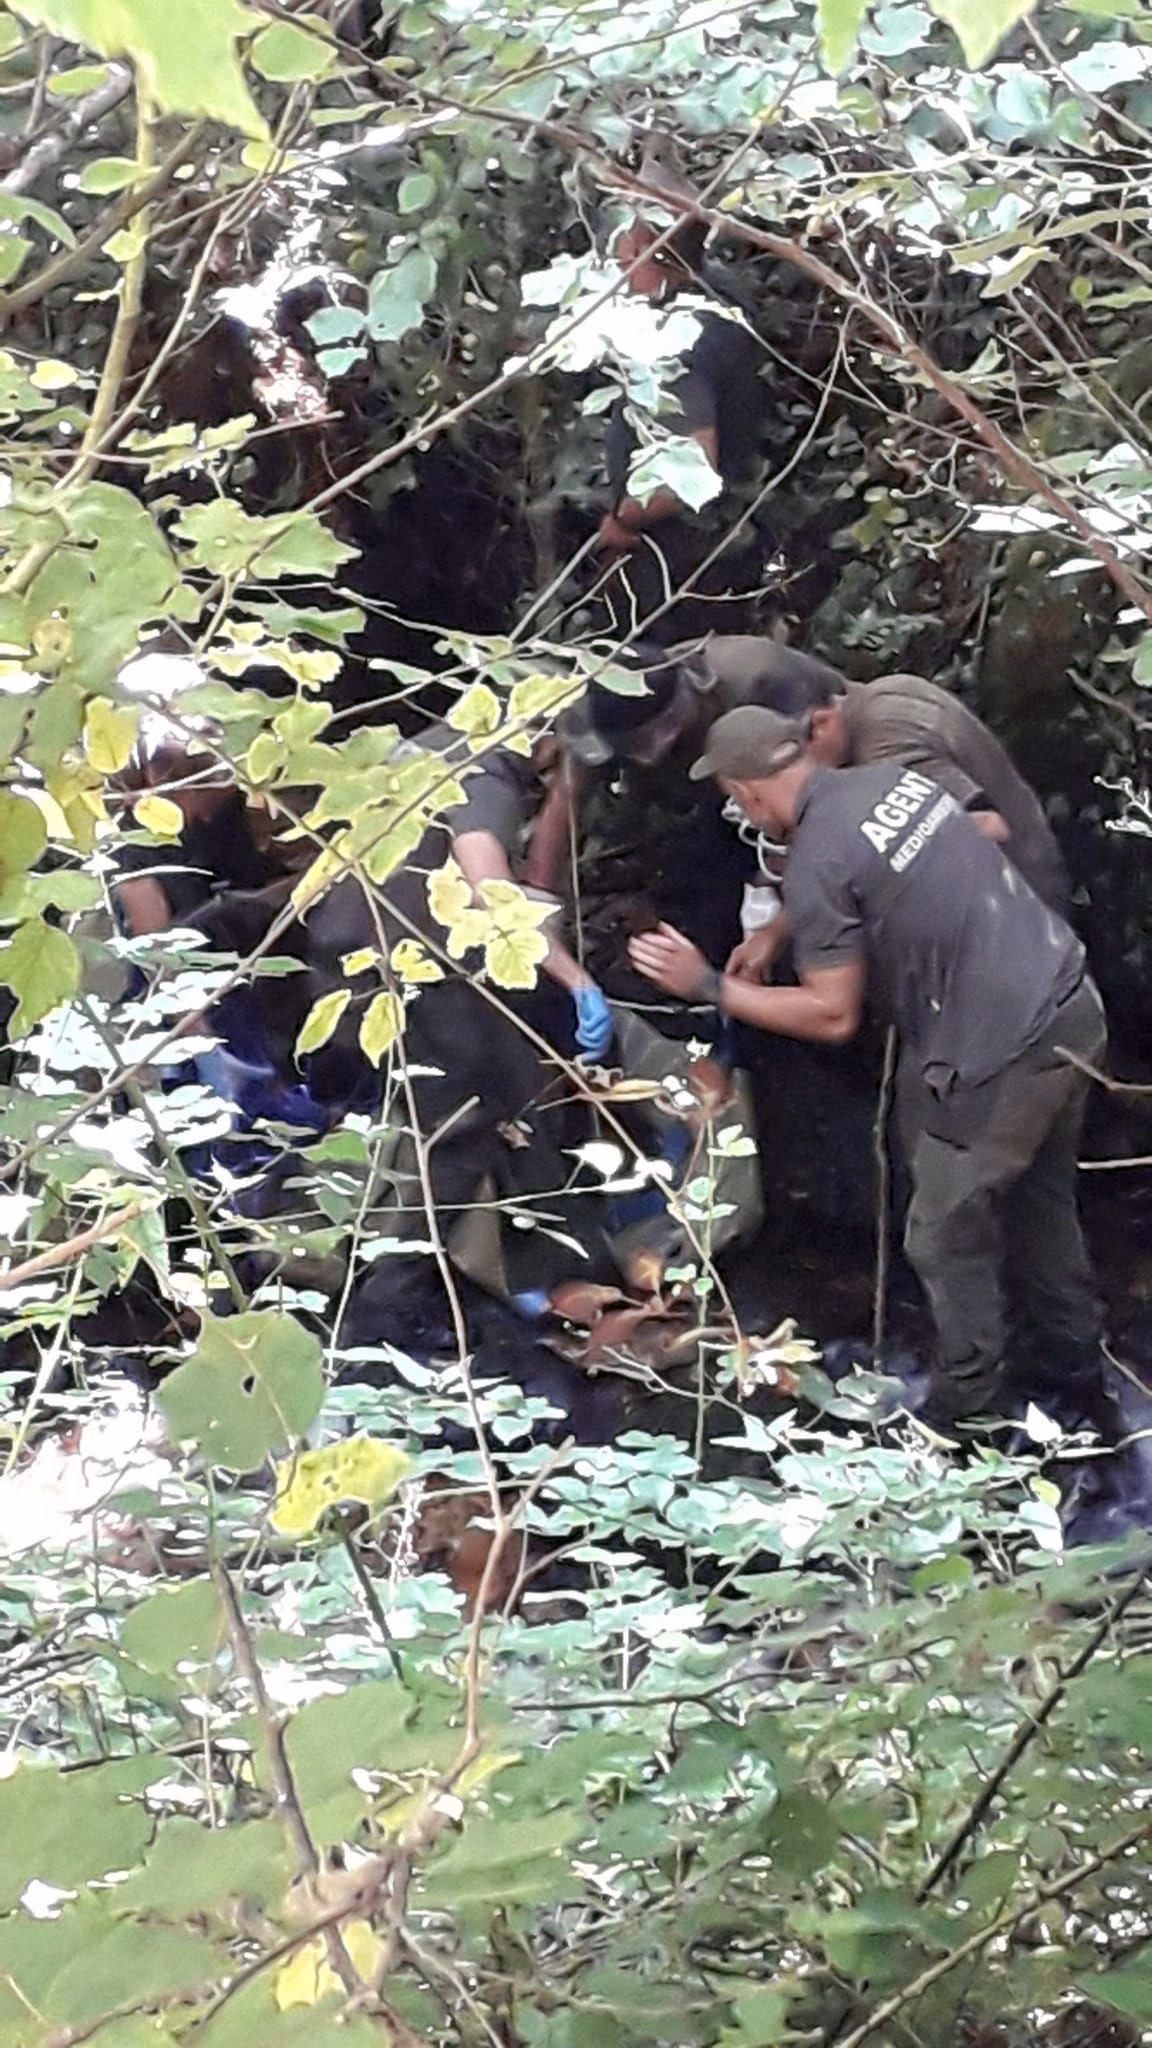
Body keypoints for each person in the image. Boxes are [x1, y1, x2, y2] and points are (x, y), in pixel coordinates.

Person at [628, 704, 1114, 1434]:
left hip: (1000, 1050)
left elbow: (833, 1016)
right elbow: (900, 858)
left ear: (748, 791)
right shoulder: (886, 782)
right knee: (1039, 1202)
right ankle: (1077, 1370)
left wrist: (707, 984)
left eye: (735, 799)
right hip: (1070, 1004)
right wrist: (785, 929)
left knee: (941, 1233)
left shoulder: (817, 860)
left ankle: (969, 1414)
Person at [593, 169, 765, 648]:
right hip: (727, 540)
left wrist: (623, 521)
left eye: (623, 242)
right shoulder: (720, 294)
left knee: (659, 671)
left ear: (638, 249)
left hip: (675, 559)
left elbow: (687, 474)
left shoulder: (673, 345)